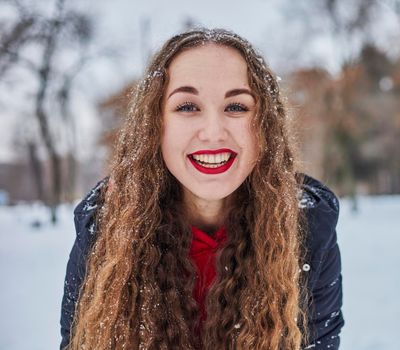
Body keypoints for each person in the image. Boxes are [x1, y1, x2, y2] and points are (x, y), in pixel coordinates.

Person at [60, 28, 344, 350]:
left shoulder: (307, 226)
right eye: (187, 107)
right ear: (156, 125)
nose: (212, 133)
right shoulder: (106, 224)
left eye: (236, 107)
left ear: (264, 127)